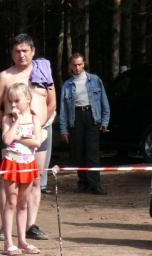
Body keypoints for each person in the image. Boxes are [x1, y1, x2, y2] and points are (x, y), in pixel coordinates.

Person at [0, 33, 56, 242]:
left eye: (25, 50)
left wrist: (40, 126)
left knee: (35, 180)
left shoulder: (43, 73)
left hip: (41, 133)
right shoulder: (5, 77)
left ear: (33, 51)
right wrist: (9, 128)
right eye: (17, 51)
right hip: (14, 137)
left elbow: (52, 102)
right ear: (11, 53)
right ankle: (4, 226)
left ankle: (30, 225)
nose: (21, 55)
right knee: (8, 182)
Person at [0, 83, 42, 256]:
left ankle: (22, 240)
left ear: (28, 99)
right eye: (10, 102)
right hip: (11, 162)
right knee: (11, 202)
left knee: (23, 204)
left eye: (17, 101)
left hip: (28, 163)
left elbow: (37, 142)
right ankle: (8, 242)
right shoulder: (7, 119)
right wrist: (16, 123)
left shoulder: (35, 119)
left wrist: (19, 137)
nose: (13, 105)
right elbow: (7, 140)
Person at [60, 53, 110, 195]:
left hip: (91, 116)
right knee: (78, 152)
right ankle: (83, 183)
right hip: (75, 118)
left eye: (80, 64)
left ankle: (95, 184)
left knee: (92, 152)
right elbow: (63, 109)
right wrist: (64, 129)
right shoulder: (67, 85)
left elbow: (104, 102)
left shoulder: (95, 80)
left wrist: (105, 121)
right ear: (70, 66)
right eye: (74, 65)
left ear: (84, 64)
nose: (77, 68)